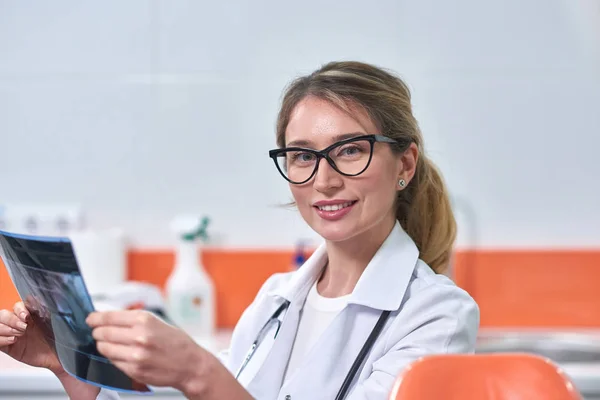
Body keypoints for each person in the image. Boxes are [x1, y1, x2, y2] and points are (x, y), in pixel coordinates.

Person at [0, 61, 480, 399]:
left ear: (406, 163)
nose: (325, 179)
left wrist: (196, 370)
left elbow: (214, 388)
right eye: (303, 155)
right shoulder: (277, 299)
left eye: (350, 149)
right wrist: (75, 373)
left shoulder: (436, 315)